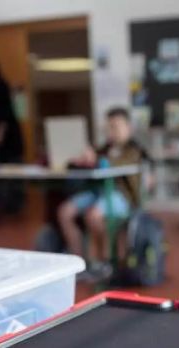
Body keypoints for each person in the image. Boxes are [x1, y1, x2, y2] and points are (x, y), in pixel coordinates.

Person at [57, 107, 151, 280]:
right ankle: (78, 262)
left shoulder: (135, 150)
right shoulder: (104, 148)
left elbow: (115, 164)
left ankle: (104, 261)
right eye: (109, 127)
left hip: (123, 196)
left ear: (128, 127)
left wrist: (97, 160)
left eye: (116, 126)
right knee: (65, 212)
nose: (112, 131)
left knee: (93, 215)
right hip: (98, 192)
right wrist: (83, 159)